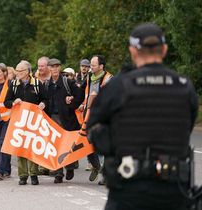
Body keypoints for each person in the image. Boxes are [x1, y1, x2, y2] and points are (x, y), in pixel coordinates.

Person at [87, 23, 198, 210]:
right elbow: (186, 128)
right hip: (173, 191)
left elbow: (95, 132)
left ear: (133, 51)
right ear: (164, 50)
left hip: (128, 190)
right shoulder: (184, 87)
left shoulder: (118, 86)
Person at [4, 60, 48, 185]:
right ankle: (23, 175)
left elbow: (46, 99)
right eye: (17, 70)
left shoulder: (37, 84)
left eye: (20, 70)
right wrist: (13, 102)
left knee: (32, 147)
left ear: (28, 71)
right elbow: (7, 102)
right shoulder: (13, 84)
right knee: (20, 147)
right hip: (19, 121)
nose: (17, 72)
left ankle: (34, 174)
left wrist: (43, 104)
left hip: (33, 121)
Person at [44, 58, 84, 183]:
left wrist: (71, 104)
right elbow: (43, 99)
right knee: (55, 146)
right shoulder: (46, 85)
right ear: (48, 68)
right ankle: (58, 173)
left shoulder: (68, 82)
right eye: (52, 67)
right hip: (52, 118)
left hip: (67, 119)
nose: (55, 69)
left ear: (60, 68)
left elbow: (80, 96)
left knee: (67, 145)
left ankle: (70, 166)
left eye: (57, 66)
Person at [75, 55, 113, 183]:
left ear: (101, 66)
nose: (90, 67)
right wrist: (75, 102)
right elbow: (82, 94)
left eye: (93, 65)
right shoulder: (89, 78)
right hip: (89, 116)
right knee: (87, 144)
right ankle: (96, 166)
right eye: (90, 65)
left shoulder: (108, 79)